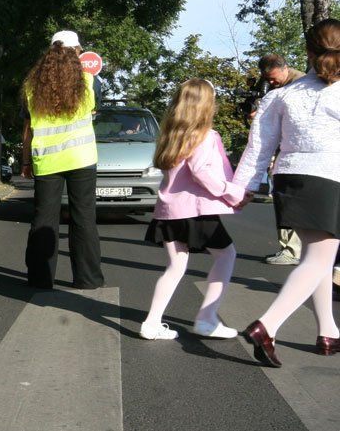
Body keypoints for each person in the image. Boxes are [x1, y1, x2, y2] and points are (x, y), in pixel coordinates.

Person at [234, 18, 340, 368]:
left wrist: (244, 187)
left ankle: (328, 333)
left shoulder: (281, 95)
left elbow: (259, 147)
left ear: (308, 52)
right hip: (328, 178)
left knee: (317, 257)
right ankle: (267, 325)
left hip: (290, 179)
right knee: (318, 260)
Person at [138, 79, 245, 340]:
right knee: (226, 256)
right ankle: (207, 318)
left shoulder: (169, 136)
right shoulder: (205, 136)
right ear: (207, 104)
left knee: (175, 267)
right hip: (196, 210)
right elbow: (202, 172)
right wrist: (233, 193)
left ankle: (151, 323)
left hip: (170, 210)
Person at [21, 30, 104, 290]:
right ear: (77, 52)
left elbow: (29, 128)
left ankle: (40, 279)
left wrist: (25, 163)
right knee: (84, 219)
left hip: (47, 161)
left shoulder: (31, 87)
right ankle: (88, 279)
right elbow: (93, 110)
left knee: (44, 219)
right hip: (82, 158)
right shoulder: (90, 81)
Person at [255, 54, 306, 266]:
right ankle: (290, 248)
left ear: (285, 68)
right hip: (282, 149)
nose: (271, 82)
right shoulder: (268, 82)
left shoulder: (301, 84)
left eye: (274, 78)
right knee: (282, 199)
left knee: (290, 200)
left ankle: (293, 250)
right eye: (268, 79)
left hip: (297, 151)